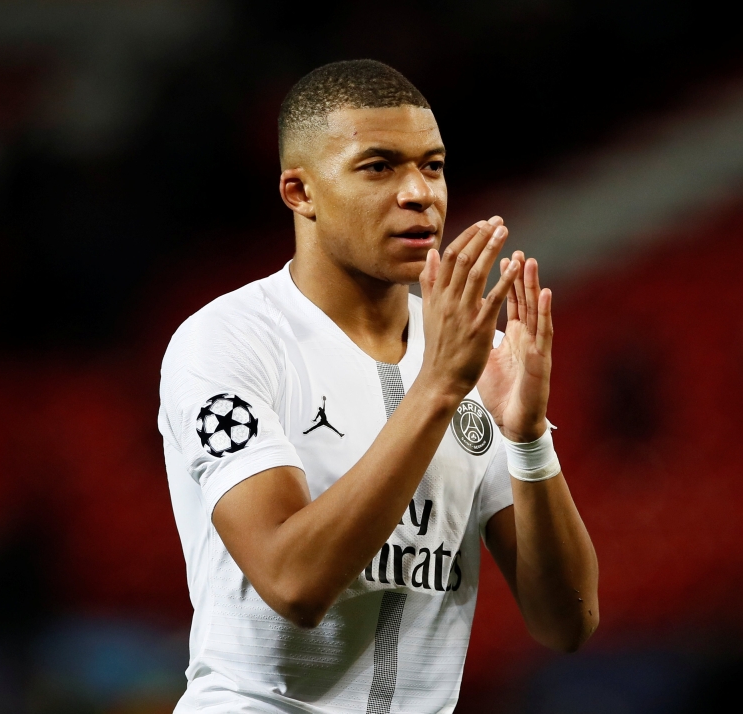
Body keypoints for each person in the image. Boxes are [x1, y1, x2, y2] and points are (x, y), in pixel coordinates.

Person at [158, 59, 599, 714]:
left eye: (433, 165)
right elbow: (295, 583)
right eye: (379, 166)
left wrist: (529, 438)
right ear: (299, 192)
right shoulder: (228, 342)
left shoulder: (475, 355)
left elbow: (566, 623)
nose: (420, 193)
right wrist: (438, 387)